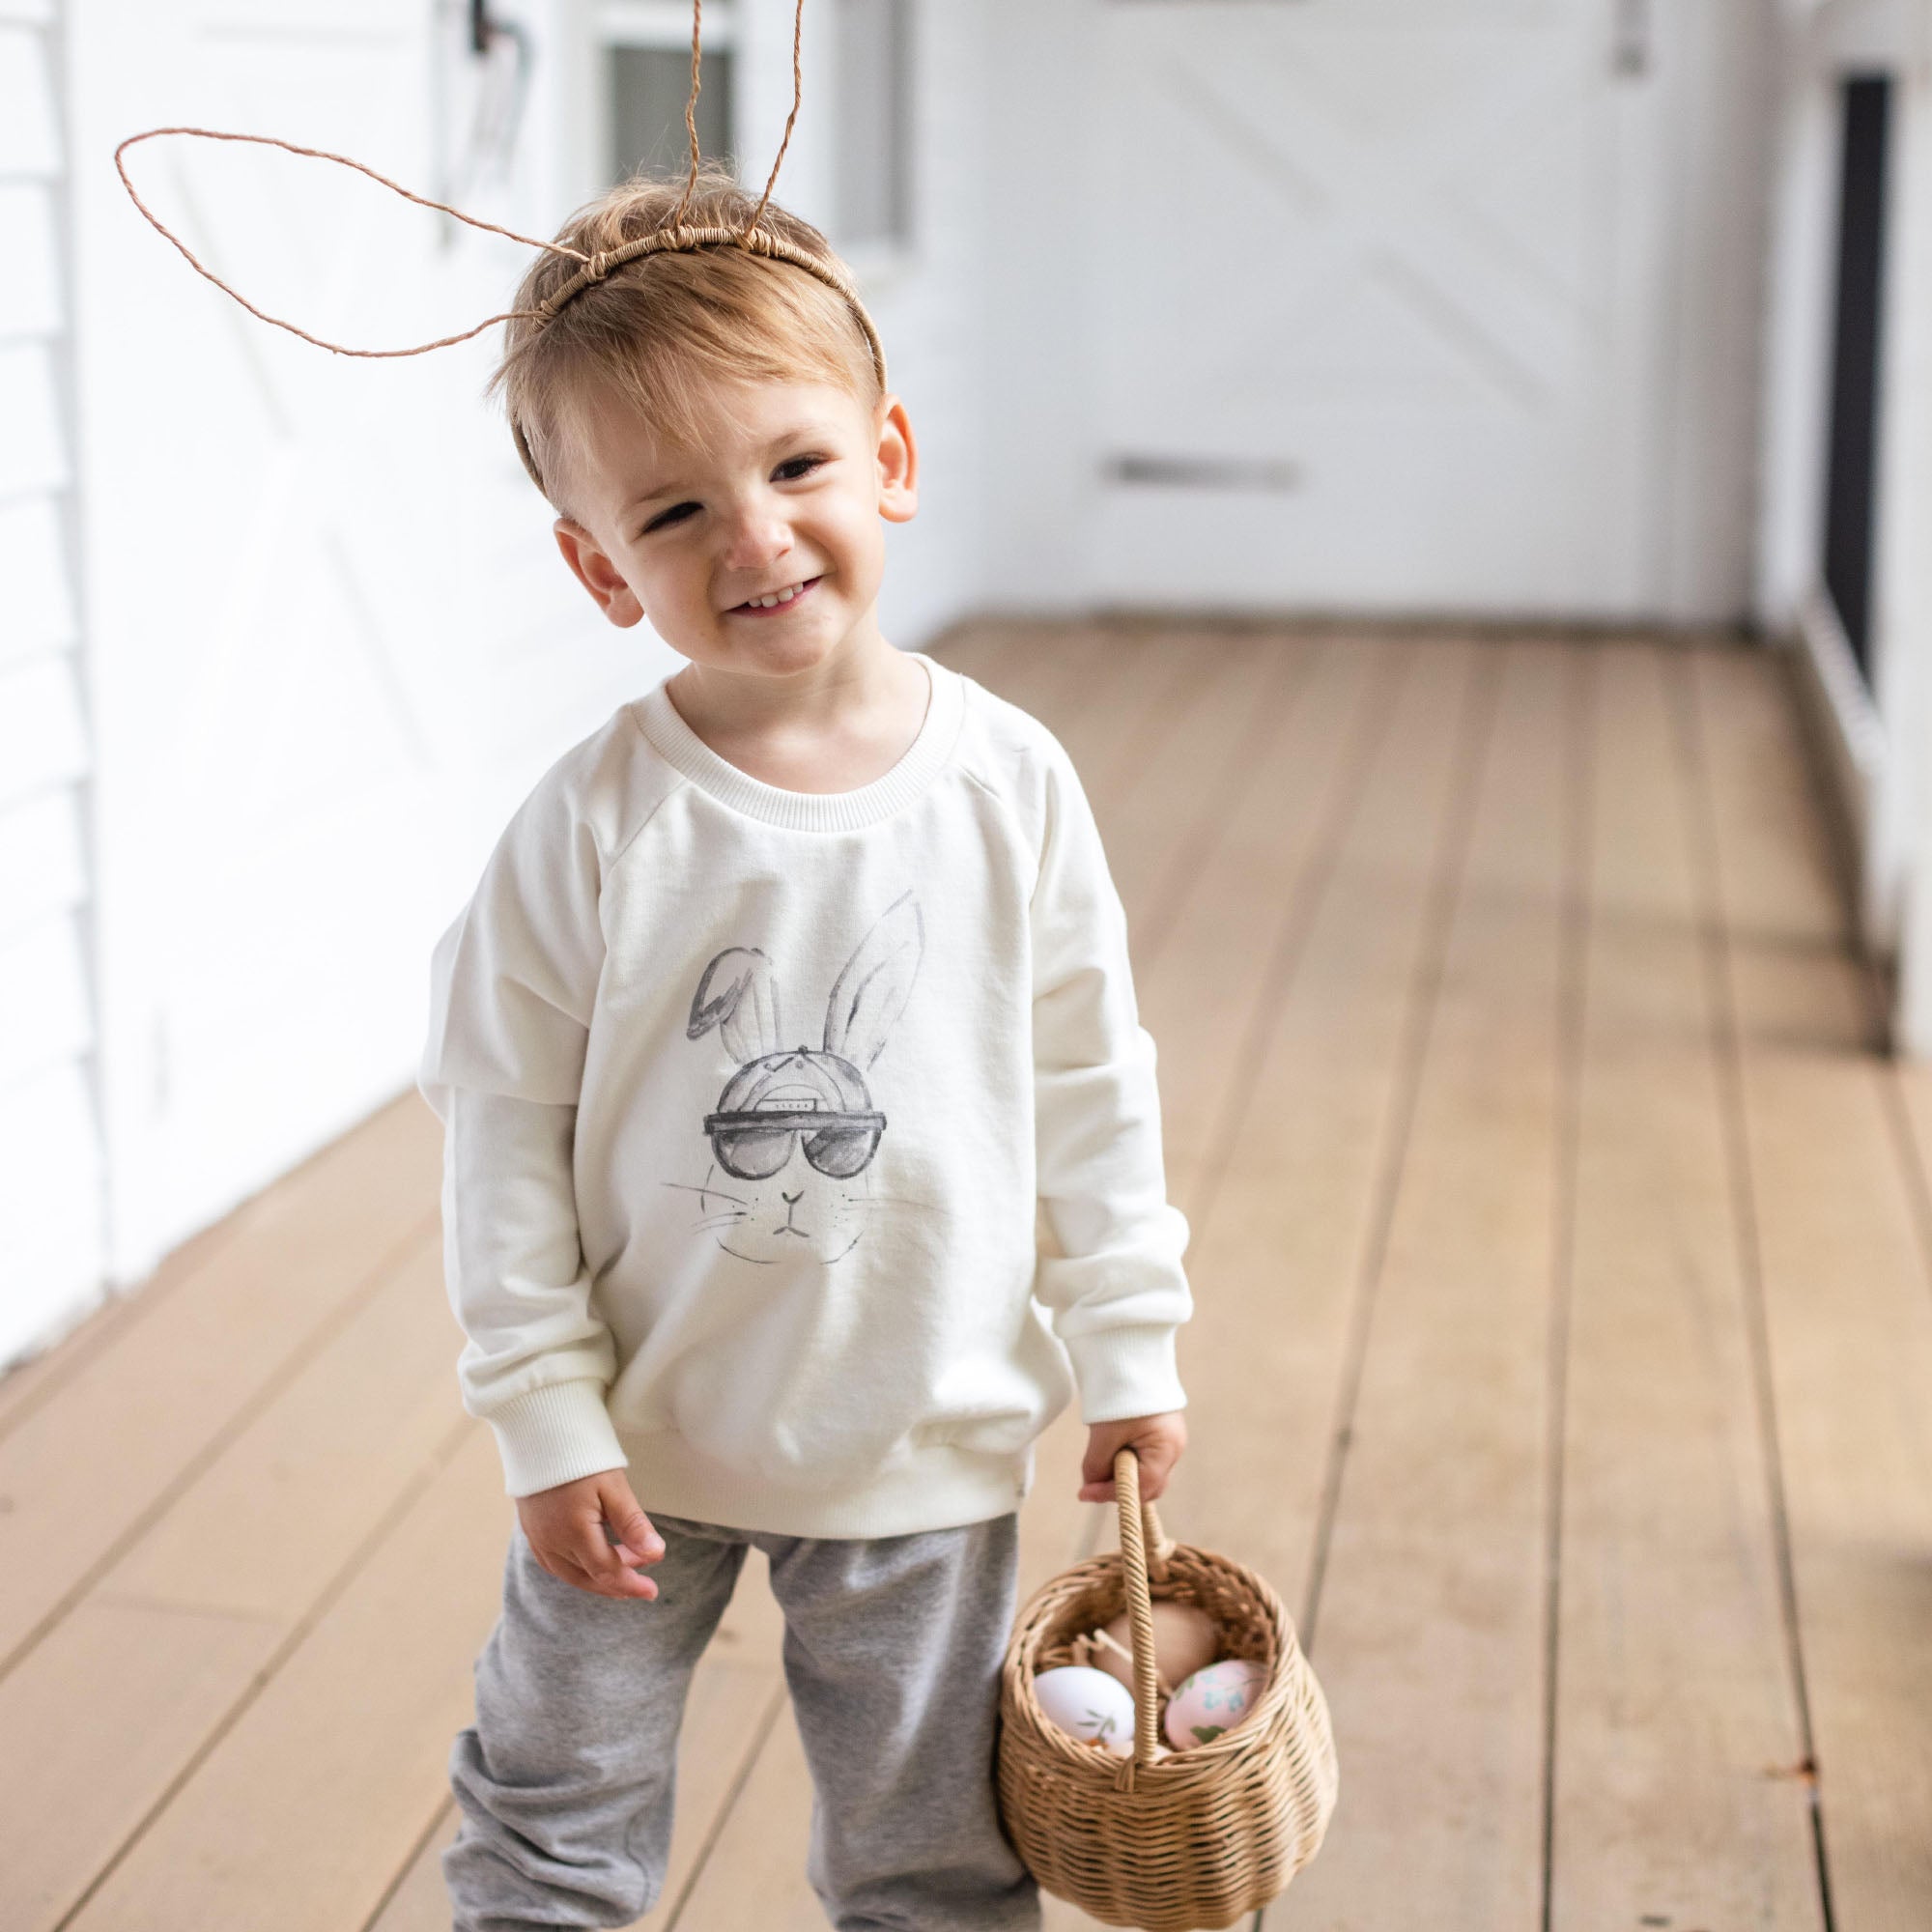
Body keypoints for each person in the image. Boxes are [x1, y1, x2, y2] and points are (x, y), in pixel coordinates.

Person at [420, 167, 1194, 1932]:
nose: (754, 538)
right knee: (549, 1807)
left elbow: (1091, 1079)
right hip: (637, 1442)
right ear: (600, 567)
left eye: (795, 467)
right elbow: (503, 1122)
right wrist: (542, 1414)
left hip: (918, 1430)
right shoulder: (593, 824)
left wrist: (1128, 1334)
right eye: (673, 510)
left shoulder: (1009, 785)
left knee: (933, 1851)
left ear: (889, 457)